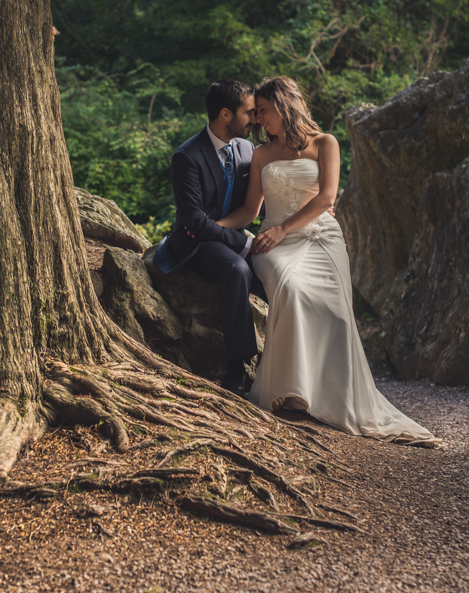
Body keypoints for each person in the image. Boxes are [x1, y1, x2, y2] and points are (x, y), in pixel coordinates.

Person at [216, 76, 438, 443]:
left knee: (334, 311)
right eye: (254, 115)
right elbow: (248, 211)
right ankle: (288, 392)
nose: (257, 121)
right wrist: (207, 226)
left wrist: (283, 228)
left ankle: (329, 395)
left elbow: (326, 199)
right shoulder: (261, 154)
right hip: (276, 245)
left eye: (263, 112)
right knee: (291, 288)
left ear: (285, 106)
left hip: (319, 237)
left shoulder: (325, 143)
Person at [153, 79, 264, 396]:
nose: (254, 118)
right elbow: (195, 224)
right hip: (195, 245)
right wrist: (243, 243)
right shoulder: (187, 156)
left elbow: (257, 203)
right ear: (226, 114)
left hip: (225, 233)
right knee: (237, 269)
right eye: (249, 112)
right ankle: (236, 368)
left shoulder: (246, 148)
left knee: (281, 275)